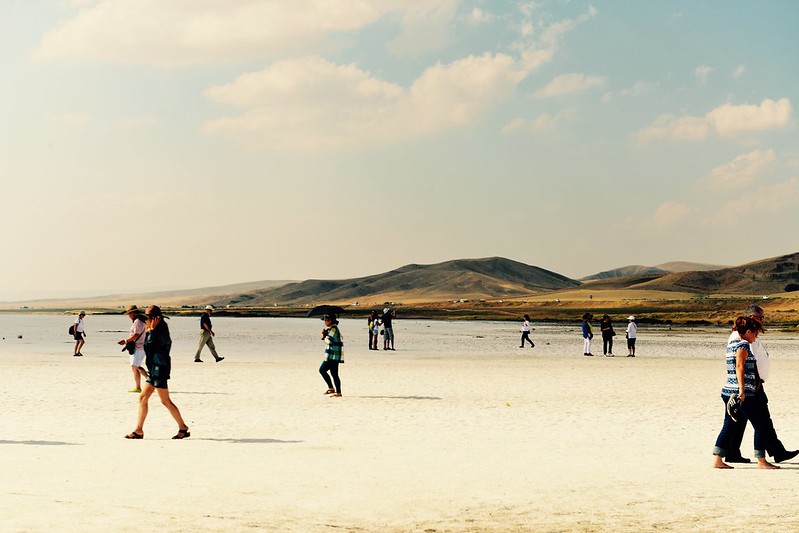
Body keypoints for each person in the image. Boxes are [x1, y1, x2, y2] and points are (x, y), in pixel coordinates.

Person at [722, 304, 798, 464]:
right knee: (760, 421)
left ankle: (733, 452)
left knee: (740, 420)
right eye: (760, 318)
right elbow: (742, 363)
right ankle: (769, 455)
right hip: (750, 385)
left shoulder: (750, 334)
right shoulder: (741, 338)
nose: (763, 321)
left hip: (752, 384)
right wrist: (752, 384)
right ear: (751, 318)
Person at [712, 316, 778, 469]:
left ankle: (717, 459)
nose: (755, 337)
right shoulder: (743, 345)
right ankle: (761, 461)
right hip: (741, 393)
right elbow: (740, 366)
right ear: (748, 331)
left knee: (729, 425)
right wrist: (742, 390)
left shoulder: (732, 344)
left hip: (728, 391)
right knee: (761, 424)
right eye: (755, 333)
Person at [125, 305, 190, 440]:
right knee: (143, 398)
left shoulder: (161, 331)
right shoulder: (156, 329)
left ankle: (183, 427)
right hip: (155, 368)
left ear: (156, 318)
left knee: (165, 401)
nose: (147, 320)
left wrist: (151, 332)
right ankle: (139, 431)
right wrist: (150, 331)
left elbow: (149, 347)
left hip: (160, 369)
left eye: (149, 318)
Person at [117, 304, 149, 393]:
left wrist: (125, 341)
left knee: (135, 366)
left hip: (138, 347)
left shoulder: (137, 322)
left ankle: (149, 382)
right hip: (140, 346)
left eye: (129, 314)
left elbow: (136, 335)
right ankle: (140, 385)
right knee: (135, 367)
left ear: (133, 313)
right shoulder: (142, 321)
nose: (128, 316)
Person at [319, 314, 344, 397]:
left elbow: (328, 341)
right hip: (334, 355)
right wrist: (326, 334)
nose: (325, 322)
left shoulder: (333, 329)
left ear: (331, 320)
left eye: (327, 320)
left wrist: (324, 336)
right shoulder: (332, 329)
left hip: (332, 355)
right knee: (334, 374)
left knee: (322, 370)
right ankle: (337, 391)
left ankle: (332, 388)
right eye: (325, 320)